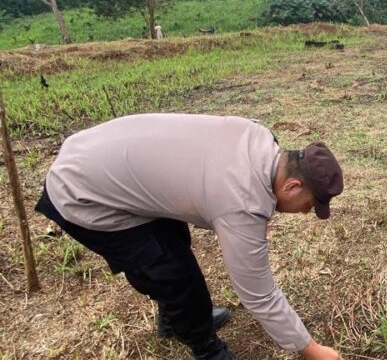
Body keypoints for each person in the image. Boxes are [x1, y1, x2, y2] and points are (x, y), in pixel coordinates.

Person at [34, 114, 344, 360]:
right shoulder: (243, 201)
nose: (305, 212)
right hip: (82, 191)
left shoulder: (257, 135)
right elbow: (259, 295)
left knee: (174, 237)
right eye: (308, 205)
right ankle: (205, 347)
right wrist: (312, 350)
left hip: (93, 151)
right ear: (291, 186)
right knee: (171, 272)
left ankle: (174, 318)